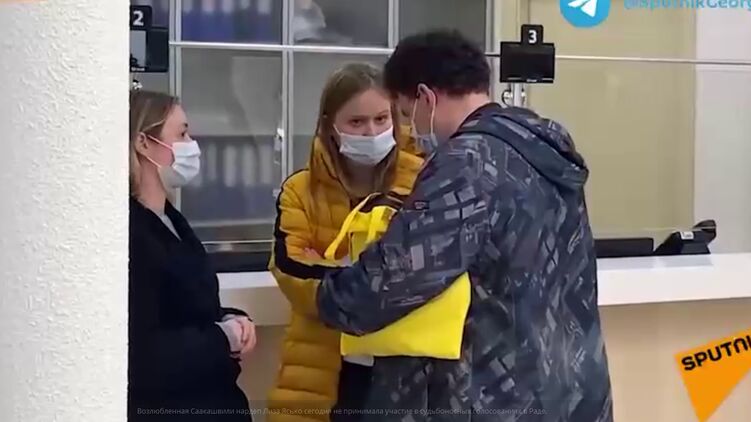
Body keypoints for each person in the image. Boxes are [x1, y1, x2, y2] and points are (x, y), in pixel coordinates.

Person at [316, 30, 614, 421]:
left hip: (491, 397)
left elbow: (392, 280)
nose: (411, 130)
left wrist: (331, 294)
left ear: (426, 97)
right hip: (571, 390)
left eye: (405, 114)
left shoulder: (468, 161)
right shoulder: (542, 147)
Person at [267, 63, 424, 422]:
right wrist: (378, 278)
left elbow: (432, 271)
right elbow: (291, 271)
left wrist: (336, 267)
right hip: (324, 368)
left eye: (381, 119)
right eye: (356, 122)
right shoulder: (300, 191)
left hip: (404, 368)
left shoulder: (425, 182)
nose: (372, 131)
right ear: (330, 127)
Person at [128, 90, 256, 421]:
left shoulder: (171, 220)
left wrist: (232, 319)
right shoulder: (131, 234)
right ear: (144, 143)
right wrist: (221, 338)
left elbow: (188, 307)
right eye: (182, 134)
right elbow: (143, 351)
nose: (192, 145)